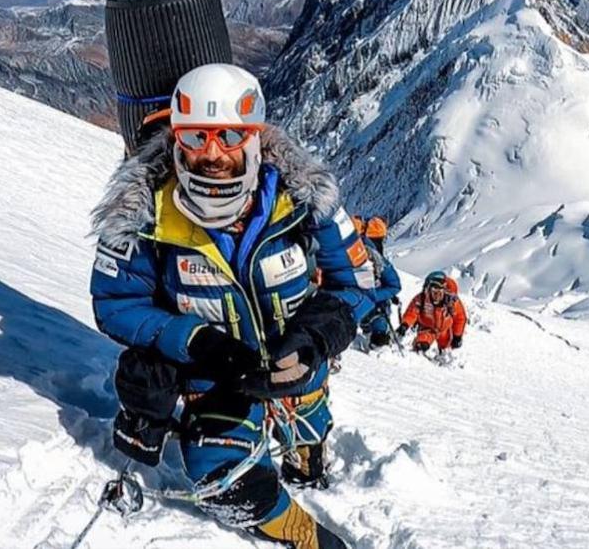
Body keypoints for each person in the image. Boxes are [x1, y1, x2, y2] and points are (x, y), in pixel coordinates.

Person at [90, 63, 375, 549]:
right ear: (177, 139)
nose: (212, 153)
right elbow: (116, 303)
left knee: (308, 420)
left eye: (228, 135)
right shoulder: (144, 218)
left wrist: (316, 333)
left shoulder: (306, 201)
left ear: (255, 138)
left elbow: (359, 280)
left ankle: (307, 456)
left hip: (295, 367)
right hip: (214, 380)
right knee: (219, 475)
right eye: (197, 137)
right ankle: (306, 537)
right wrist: (193, 341)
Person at [397, 271, 466, 355]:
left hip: (445, 330)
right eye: (434, 291)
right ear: (429, 289)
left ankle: (444, 358)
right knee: (421, 345)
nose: (437, 295)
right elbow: (412, 312)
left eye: (440, 291)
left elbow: (460, 318)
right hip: (427, 329)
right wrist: (405, 324)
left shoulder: (451, 301)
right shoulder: (421, 299)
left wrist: (457, 336)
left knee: (448, 350)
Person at [360, 241, 402, 349]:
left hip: (376, 306)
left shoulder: (380, 264)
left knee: (379, 333)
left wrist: (374, 296)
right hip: (359, 301)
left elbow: (394, 285)